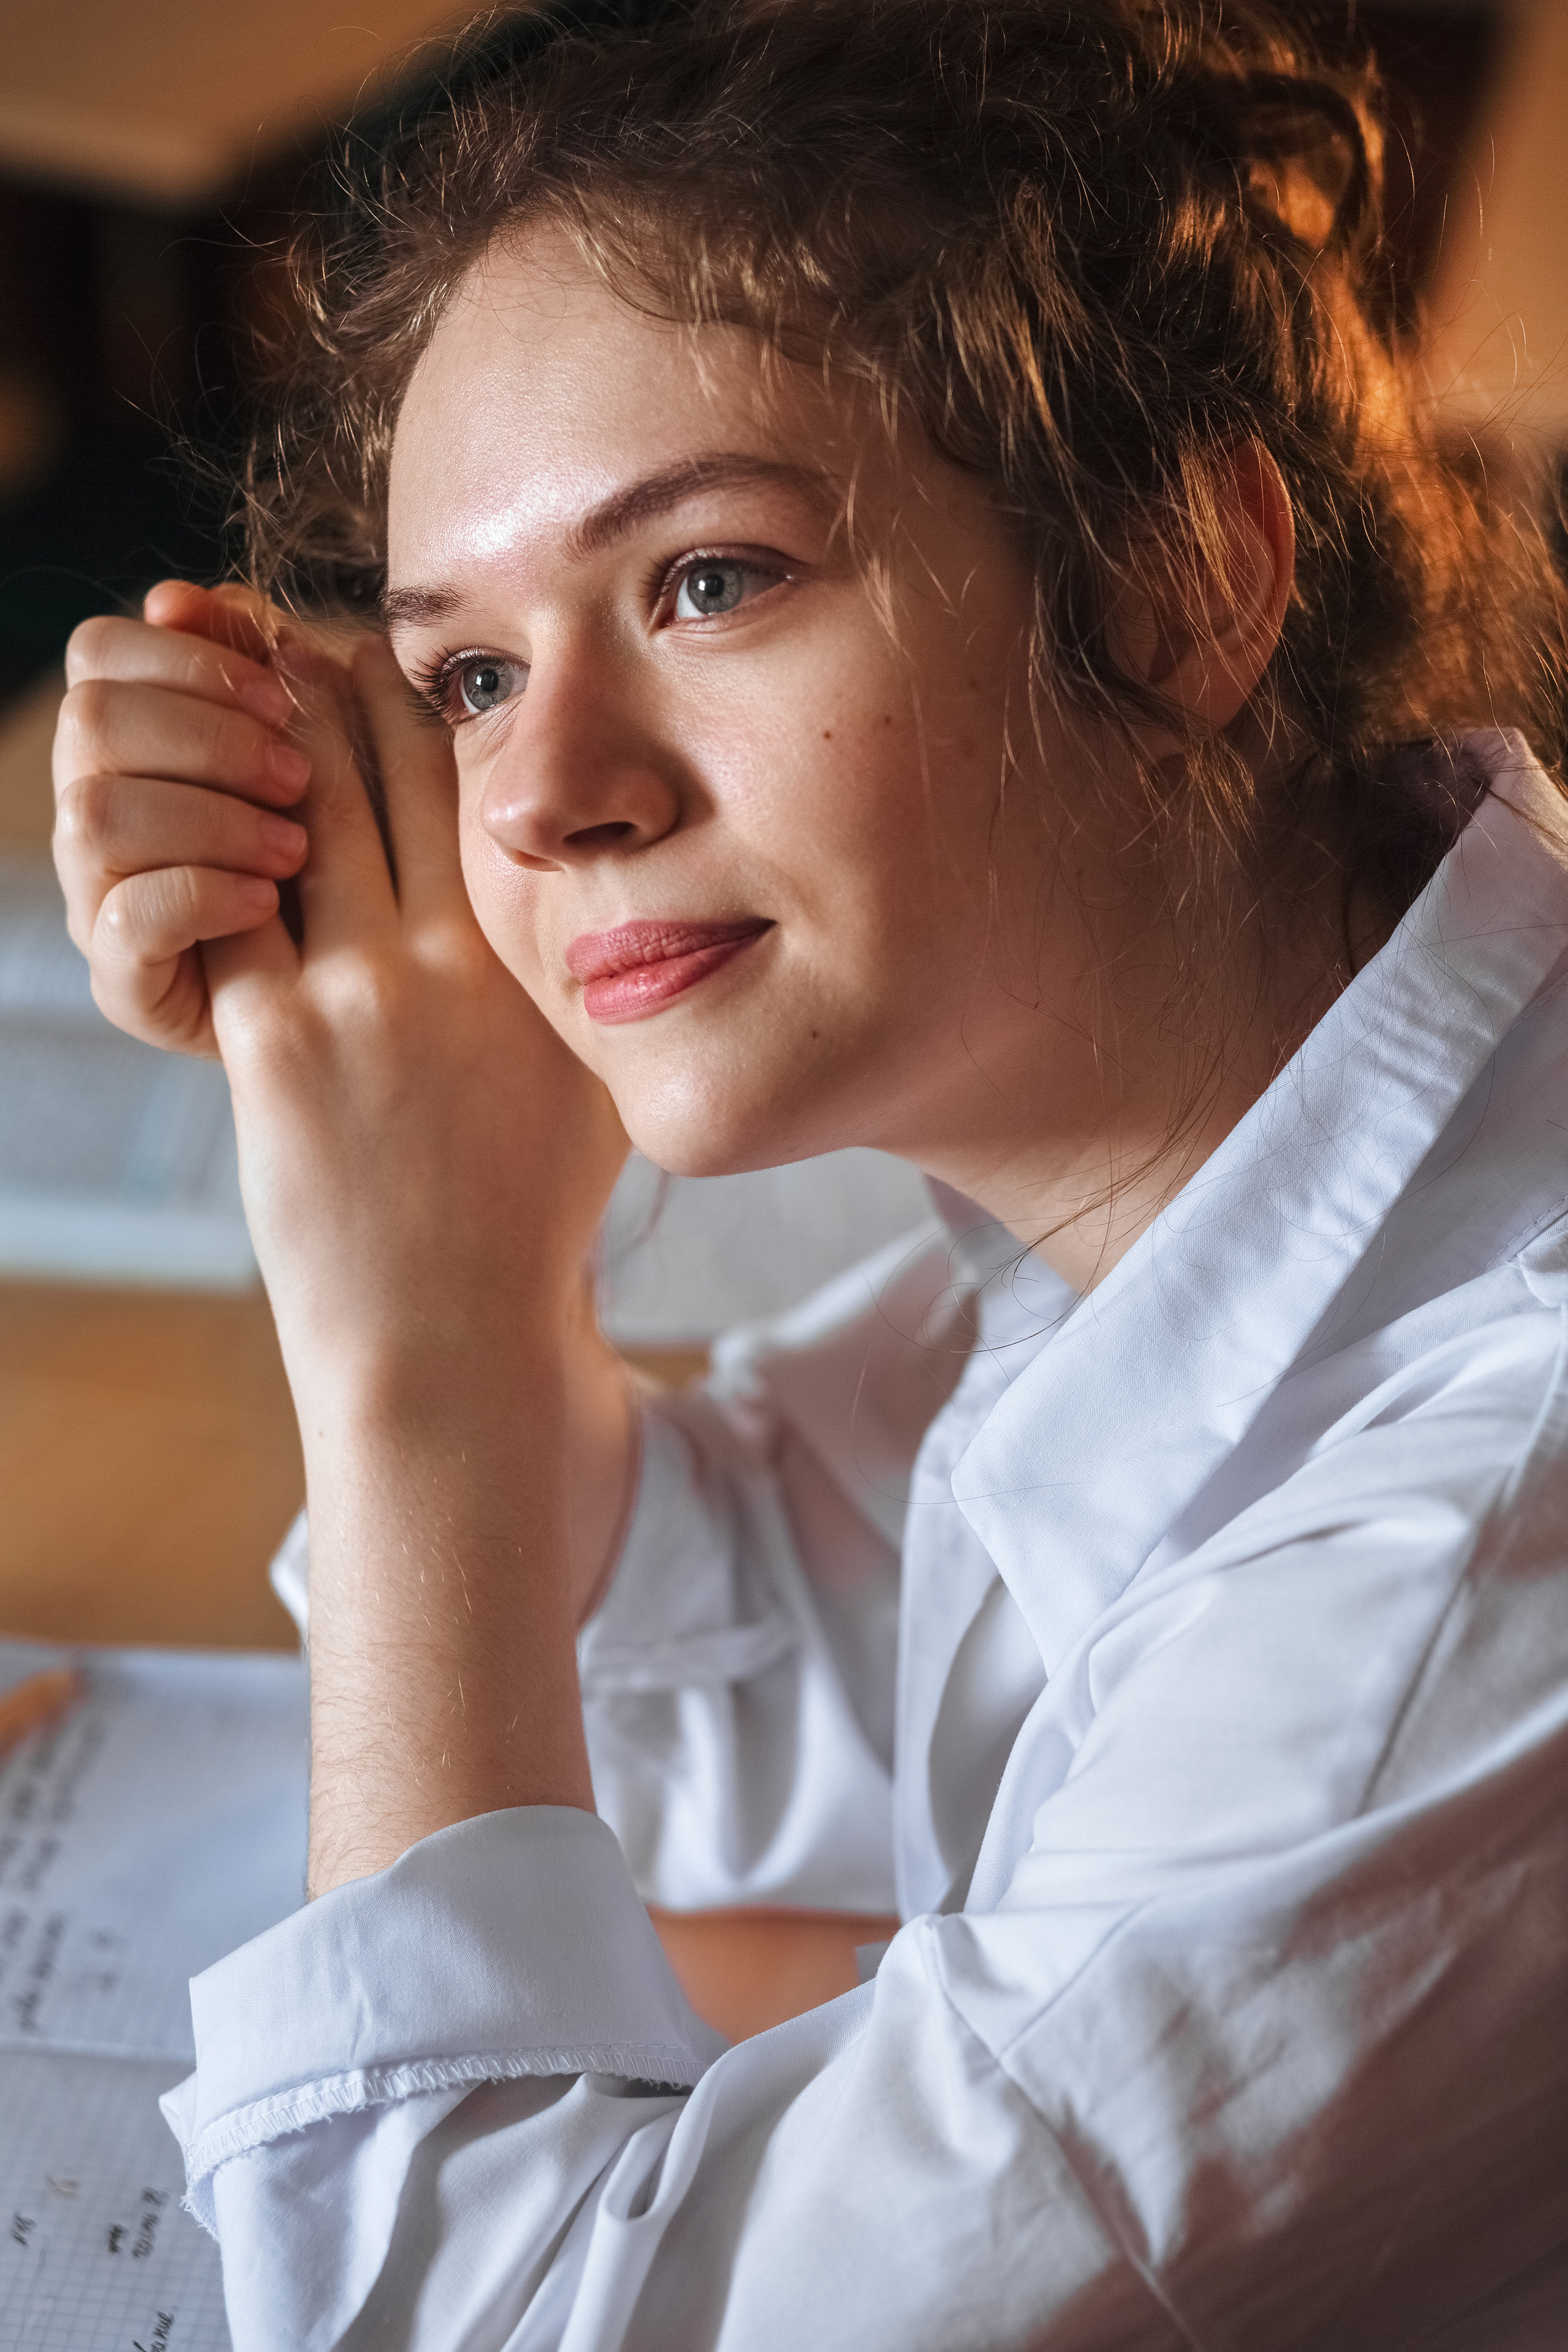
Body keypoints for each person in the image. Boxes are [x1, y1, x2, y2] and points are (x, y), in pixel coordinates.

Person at [49, 0, 1568, 2342]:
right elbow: (762, 1636)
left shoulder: (1480, 1538)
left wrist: (422, 1356)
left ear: (1178, 580)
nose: (544, 798)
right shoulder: (1242, 1112)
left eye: (709, 581)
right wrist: (395, 1133)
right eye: (463, 681)